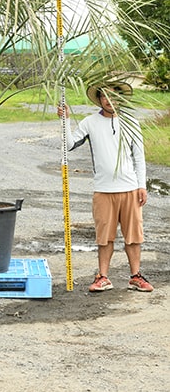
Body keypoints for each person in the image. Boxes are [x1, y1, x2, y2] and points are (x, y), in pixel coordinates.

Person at [57, 81, 154, 292]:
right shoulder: (90, 122)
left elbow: (139, 157)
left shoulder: (131, 122)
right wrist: (65, 121)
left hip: (129, 188)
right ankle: (103, 277)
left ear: (120, 98)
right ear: (99, 99)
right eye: (105, 97)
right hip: (103, 190)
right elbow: (70, 144)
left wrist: (142, 186)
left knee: (134, 236)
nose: (109, 101)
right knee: (104, 237)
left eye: (114, 96)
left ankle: (136, 276)